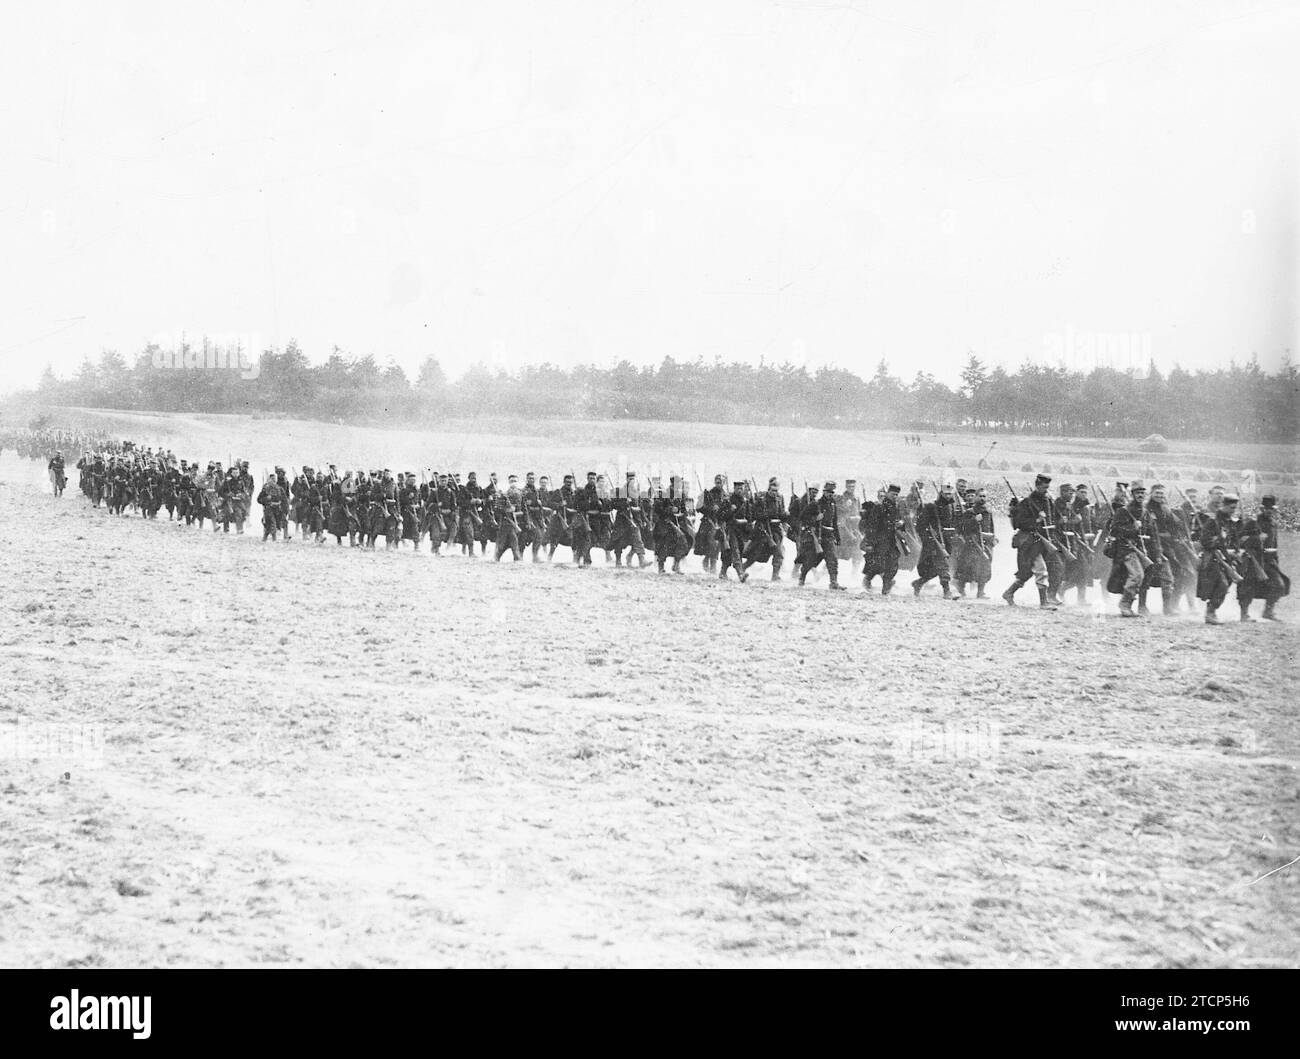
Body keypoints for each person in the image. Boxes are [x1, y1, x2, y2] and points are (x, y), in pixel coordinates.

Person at [1001, 474, 1062, 610]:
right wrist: (1038, 521)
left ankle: (1009, 593)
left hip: (1043, 541)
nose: (1046, 490)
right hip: (1029, 542)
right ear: (1037, 486)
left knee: (1027, 572)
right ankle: (1043, 602)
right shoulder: (1026, 503)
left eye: (1048, 488)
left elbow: (1056, 519)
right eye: (1044, 487)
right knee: (1041, 570)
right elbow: (1019, 523)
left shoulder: (1048, 501)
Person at [1197, 493, 1244, 625]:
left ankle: (1211, 610)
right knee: (1222, 585)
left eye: (1234, 508)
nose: (1233, 510)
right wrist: (1219, 539)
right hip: (1213, 557)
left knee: (1226, 584)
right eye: (1231, 508)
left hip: (1227, 559)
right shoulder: (1213, 521)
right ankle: (1210, 612)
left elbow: (1235, 540)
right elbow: (1205, 541)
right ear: (1223, 506)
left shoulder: (1231, 522)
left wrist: (1235, 551)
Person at [798, 482, 845, 589]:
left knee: (832, 559)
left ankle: (833, 582)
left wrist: (837, 537)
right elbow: (802, 517)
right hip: (818, 535)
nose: (830, 494)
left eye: (832, 492)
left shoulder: (833, 505)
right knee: (811, 560)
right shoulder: (816, 504)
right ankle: (802, 577)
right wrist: (815, 518)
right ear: (824, 492)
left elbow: (834, 521)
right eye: (828, 492)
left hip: (829, 535)